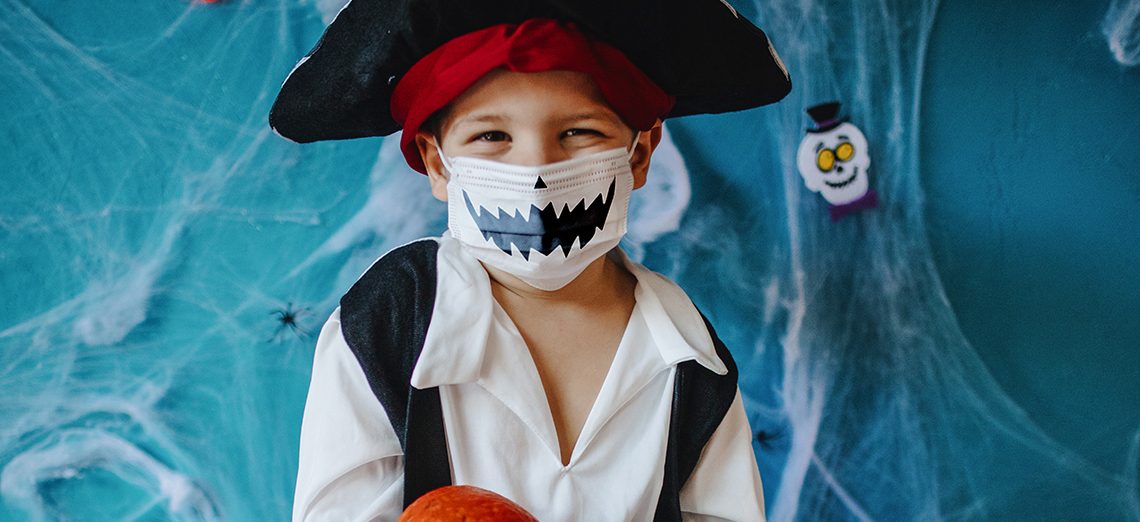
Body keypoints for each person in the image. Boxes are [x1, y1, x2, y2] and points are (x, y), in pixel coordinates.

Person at [270, 2, 790, 520]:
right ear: (437, 163)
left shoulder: (692, 359)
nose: (538, 167)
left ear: (638, 154)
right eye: (492, 136)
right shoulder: (386, 324)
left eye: (579, 132)